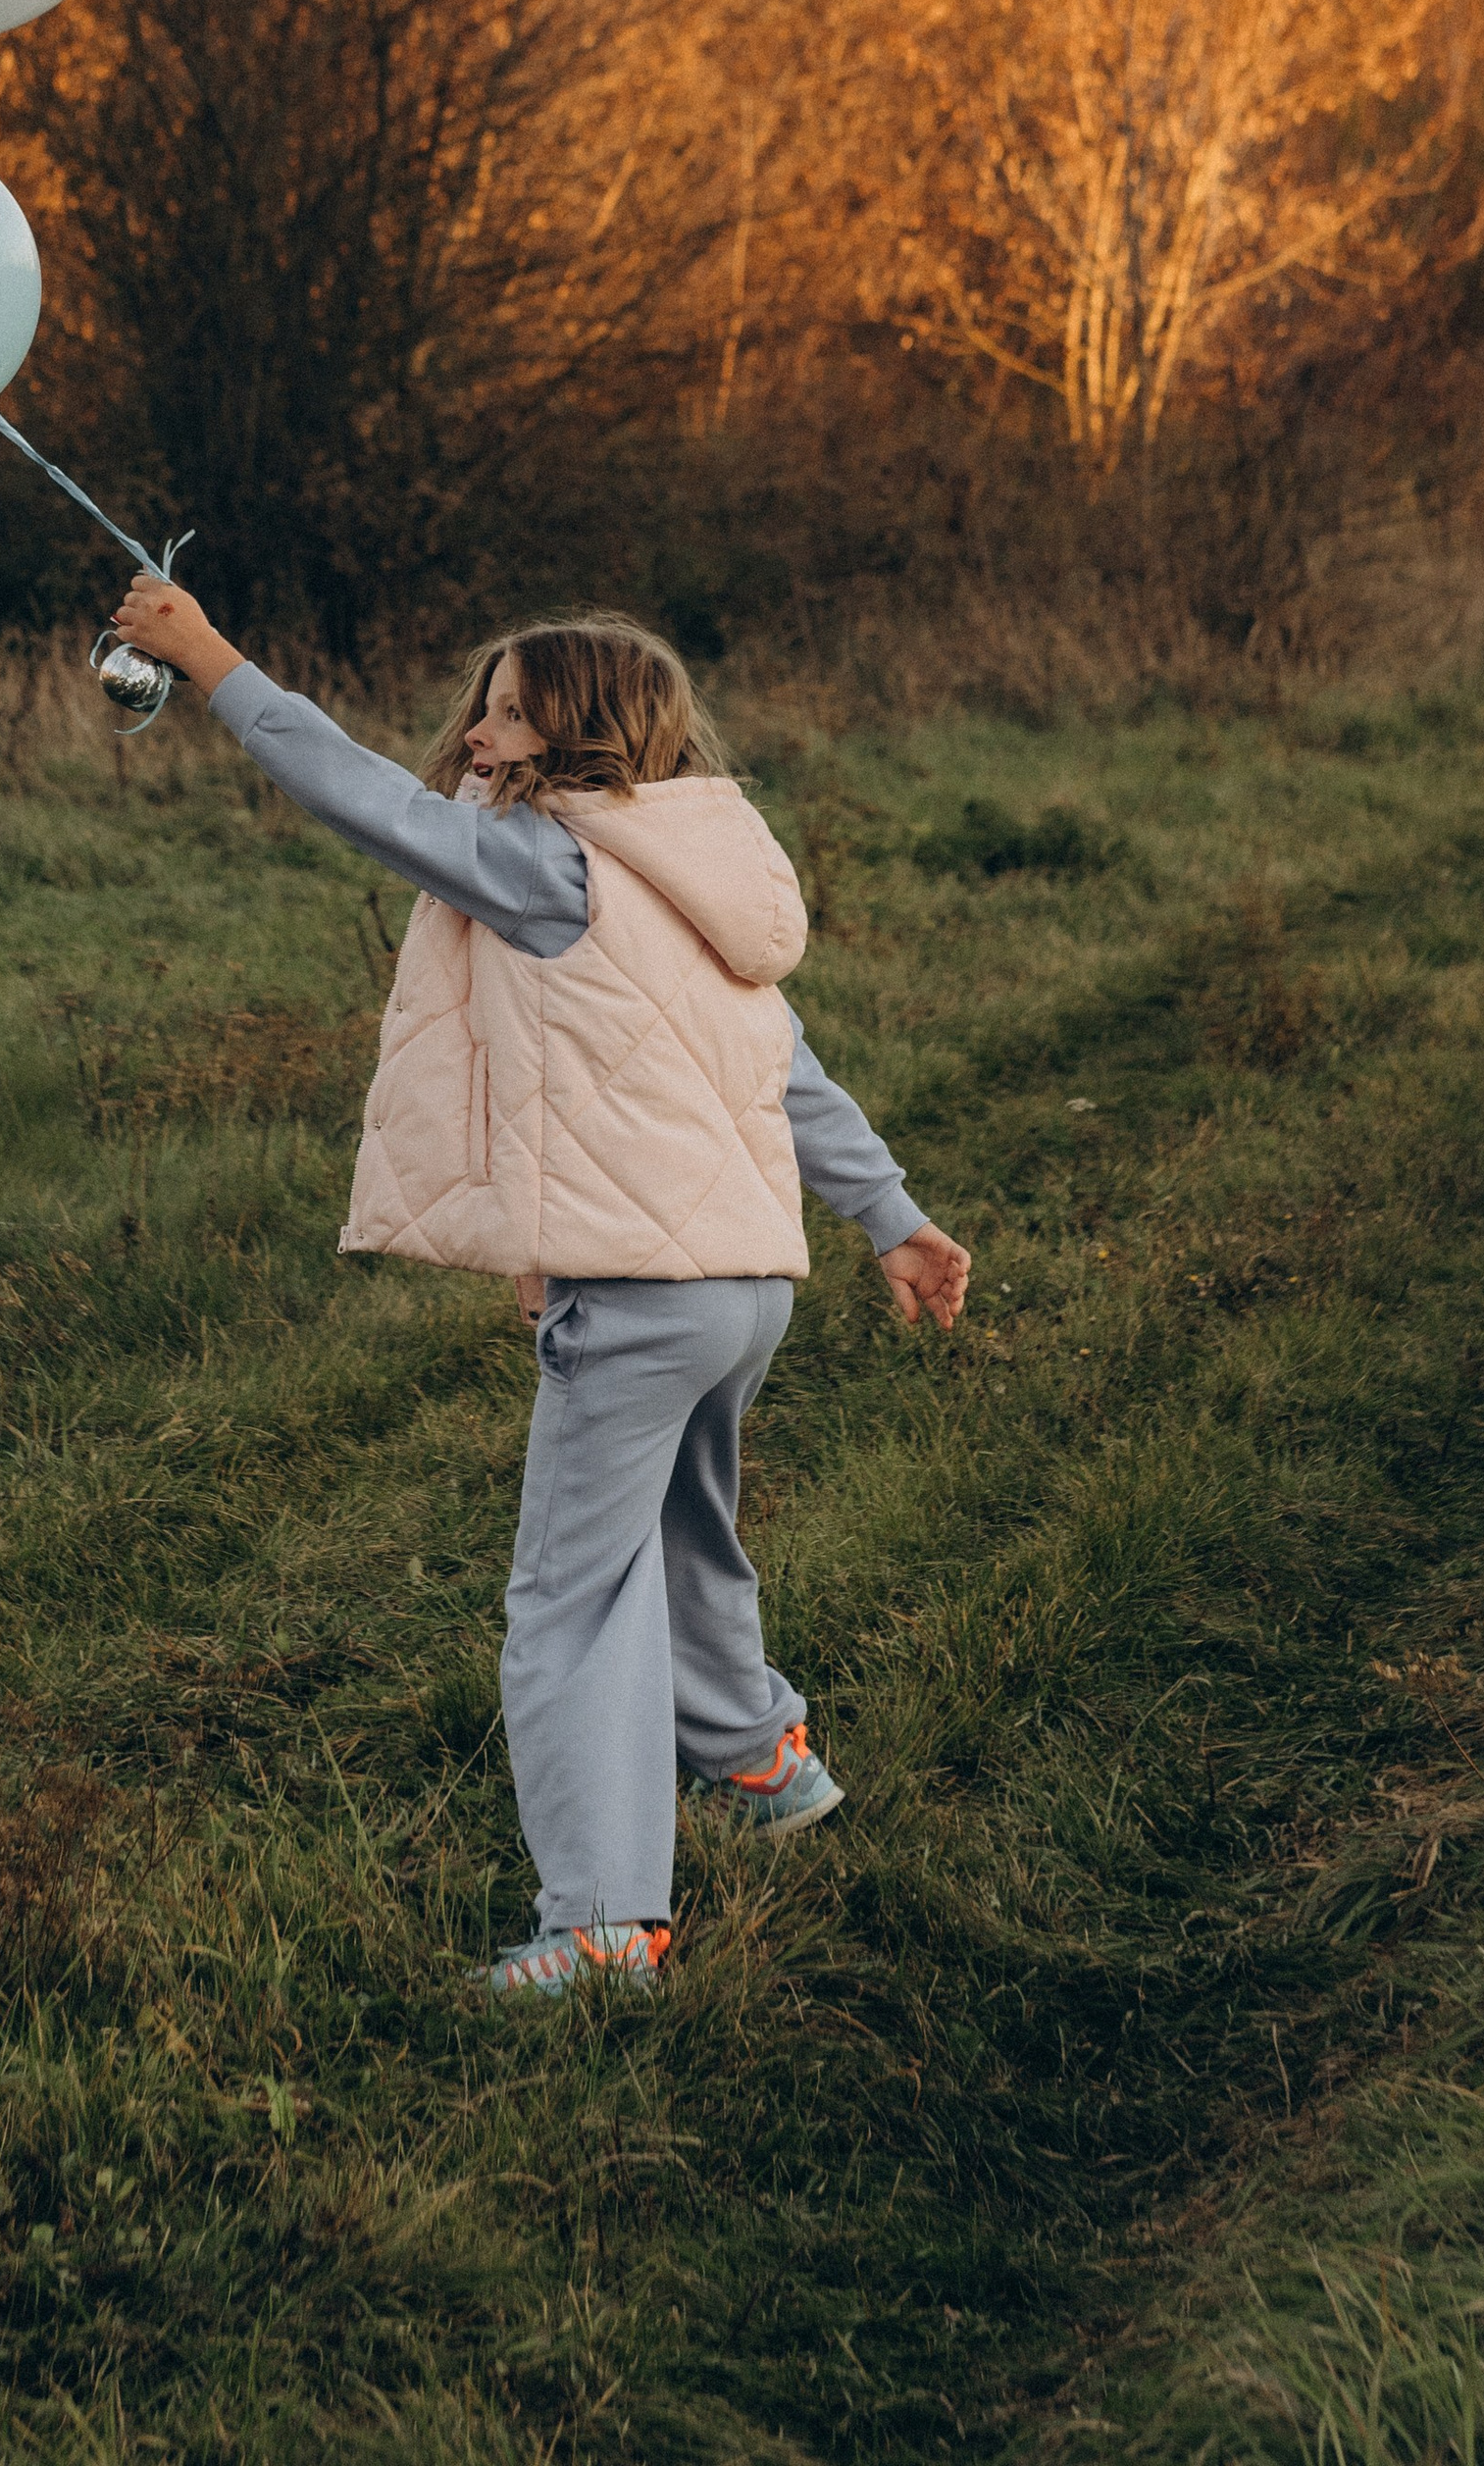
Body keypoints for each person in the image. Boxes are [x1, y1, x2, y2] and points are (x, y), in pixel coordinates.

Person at [104, 584, 971, 1999]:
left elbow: (365, 797)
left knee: (571, 1601)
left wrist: (212, 667)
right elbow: (791, 1077)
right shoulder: (695, 878)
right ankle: (758, 1760)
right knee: (689, 1535)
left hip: (639, 1299)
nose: (478, 733)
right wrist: (893, 1219)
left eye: (512, 714)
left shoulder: (553, 869)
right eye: (485, 707)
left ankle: (606, 1924)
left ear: (584, 745)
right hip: (743, 1284)